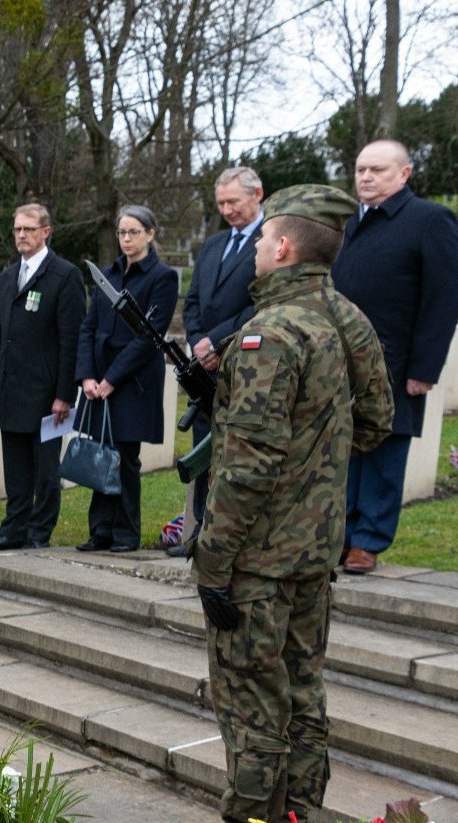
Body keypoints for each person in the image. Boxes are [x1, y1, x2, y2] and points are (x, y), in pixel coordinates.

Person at [192, 183, 393, 823]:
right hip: (314, 549)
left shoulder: (270, 333)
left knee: (252, 701)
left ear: (281, 246)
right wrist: (316, 473)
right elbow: (372, 423)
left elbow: (247, 464)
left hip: (257, 556)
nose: (250, 252)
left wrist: (213, 557)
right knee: (303, 691)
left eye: (261, 240)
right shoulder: (345, 319)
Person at [332, 140, 458, 575]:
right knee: (345, 448)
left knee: (384, 451)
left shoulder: (429, 220)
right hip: (341, 360)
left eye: (377, 170)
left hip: (395, 361)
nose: (366, 177)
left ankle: (368, 540)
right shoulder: (350, 223)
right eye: (360, 169)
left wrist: (425, 369)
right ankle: (342, 535)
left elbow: (442, 299)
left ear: (404, 174)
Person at [0, 203, 86, 552]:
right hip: (11, 387)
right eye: (17, 229)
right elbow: (1, 330)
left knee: (44, 469)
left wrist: (64, 394)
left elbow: (71, 339)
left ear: (45, 232)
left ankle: (39, 531)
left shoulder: (65, 276)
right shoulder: (9, 276)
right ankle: (13, 529)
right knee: (16, 468)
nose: (21, 235)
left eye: (28, 229)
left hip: (46, 391)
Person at [74, 205, 178, 553]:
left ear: (150, 234)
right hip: (99, 378)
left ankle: (125, 532)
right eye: (122, 232)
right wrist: (88, 375)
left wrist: (113, 378)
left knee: (125, 457)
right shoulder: (109, 273)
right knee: (99, 452)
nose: (127, 239)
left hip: (132, 381)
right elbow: (89, 326)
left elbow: (150, 336)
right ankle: (100, 530)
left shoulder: (162, 277)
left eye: (134, 232)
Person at [175, 166, 265, 557]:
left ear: (257, 194)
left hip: (244, 361)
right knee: (203, 449)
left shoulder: (272, 240)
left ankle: (230, 540)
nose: (227, 209)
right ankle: (199, 533)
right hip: (204, 367)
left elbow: (260, 302)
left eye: (234, 201)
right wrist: (197, 341)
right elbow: (193, 301)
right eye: (221, 203)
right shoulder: (213, 245)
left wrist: (217, 341)